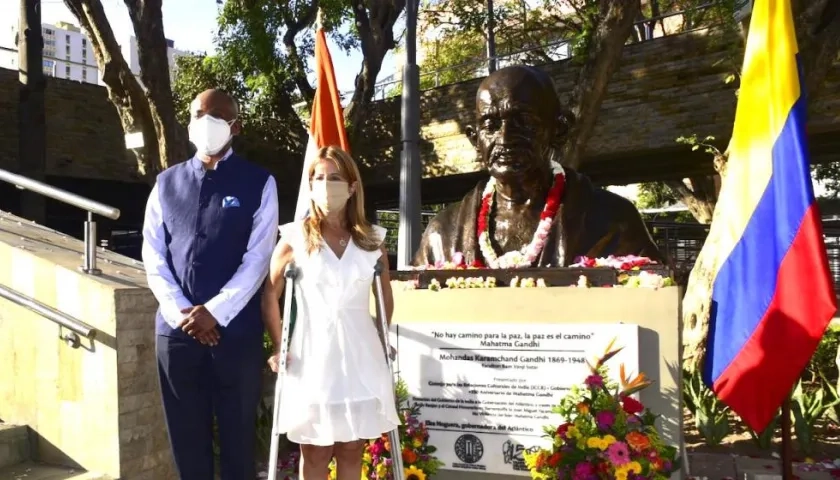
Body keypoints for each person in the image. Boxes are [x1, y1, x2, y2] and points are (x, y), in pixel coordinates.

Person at [141, 88, 279, 480]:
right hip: (176, 334)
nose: (209, 121)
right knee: (186, 441)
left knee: (238, 441)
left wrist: (215, 312)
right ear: (190, 122)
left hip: (235, 335)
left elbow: (258, 259)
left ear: (235, 126)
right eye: (201, 113)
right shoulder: (165, 183)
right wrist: (181, 312)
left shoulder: (259, 183)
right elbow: (153, 255)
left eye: (219, 115)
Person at [413, 65, 661, 268]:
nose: (505, 138)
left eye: (523, 122)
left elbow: (651, 310)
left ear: (559, 130)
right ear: (474, 138)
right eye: (490, 125)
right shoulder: (441, 233)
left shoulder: (612, 221)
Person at [262, 146, 400, 480]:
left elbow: (385, 298)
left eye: (335, 178)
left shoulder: (372, 240)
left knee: (353, 447)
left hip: (358, 353)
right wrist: (280, 343)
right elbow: (270, 293)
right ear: (310, 186)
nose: (326, 185)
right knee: (316, 448)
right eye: (319, 178)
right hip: (312, 354)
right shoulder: (295, 237)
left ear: (352, 187)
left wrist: (383, 340)